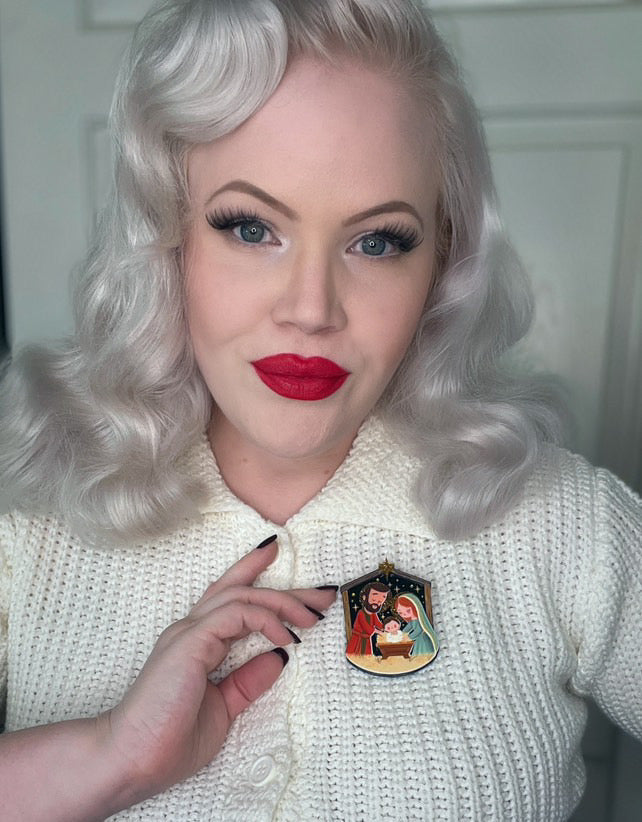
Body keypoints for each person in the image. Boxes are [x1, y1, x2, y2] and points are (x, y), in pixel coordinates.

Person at [0, 0, 640, 819]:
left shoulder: (560, 523)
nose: (311, 309)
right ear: (167, 237)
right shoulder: (31, 525)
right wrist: (105, 761)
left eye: (377, 242)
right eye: (250, 228)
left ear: (443, 262)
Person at [394, 593, 438, 658]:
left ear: (415, 607)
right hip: (418, 640)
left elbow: (419, 630)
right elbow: (408, 628)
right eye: (400, 613)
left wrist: (409, 637)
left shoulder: (419, 620)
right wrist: (401, 634)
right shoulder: (412, 621)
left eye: (408, 611)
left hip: (423, 640)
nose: (404, 614)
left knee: (423, 652)